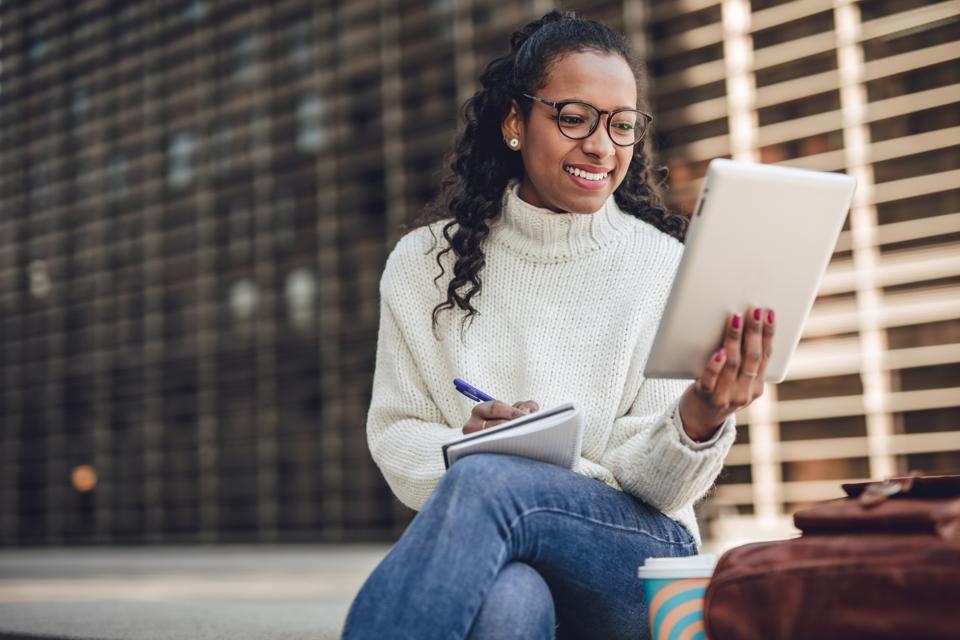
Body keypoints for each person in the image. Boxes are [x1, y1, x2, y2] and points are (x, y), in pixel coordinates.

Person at [342, 10, 776, 640]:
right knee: (509, 603)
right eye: (574, 118)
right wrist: (465, 444)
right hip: (495, 535)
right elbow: (396, 432)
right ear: (515, 124)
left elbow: (653, 487)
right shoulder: (421, 265)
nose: (601, 146)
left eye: (622, 126)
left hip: (635, 558)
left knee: (489, 481)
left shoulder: (663, 265)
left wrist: (701, 415)